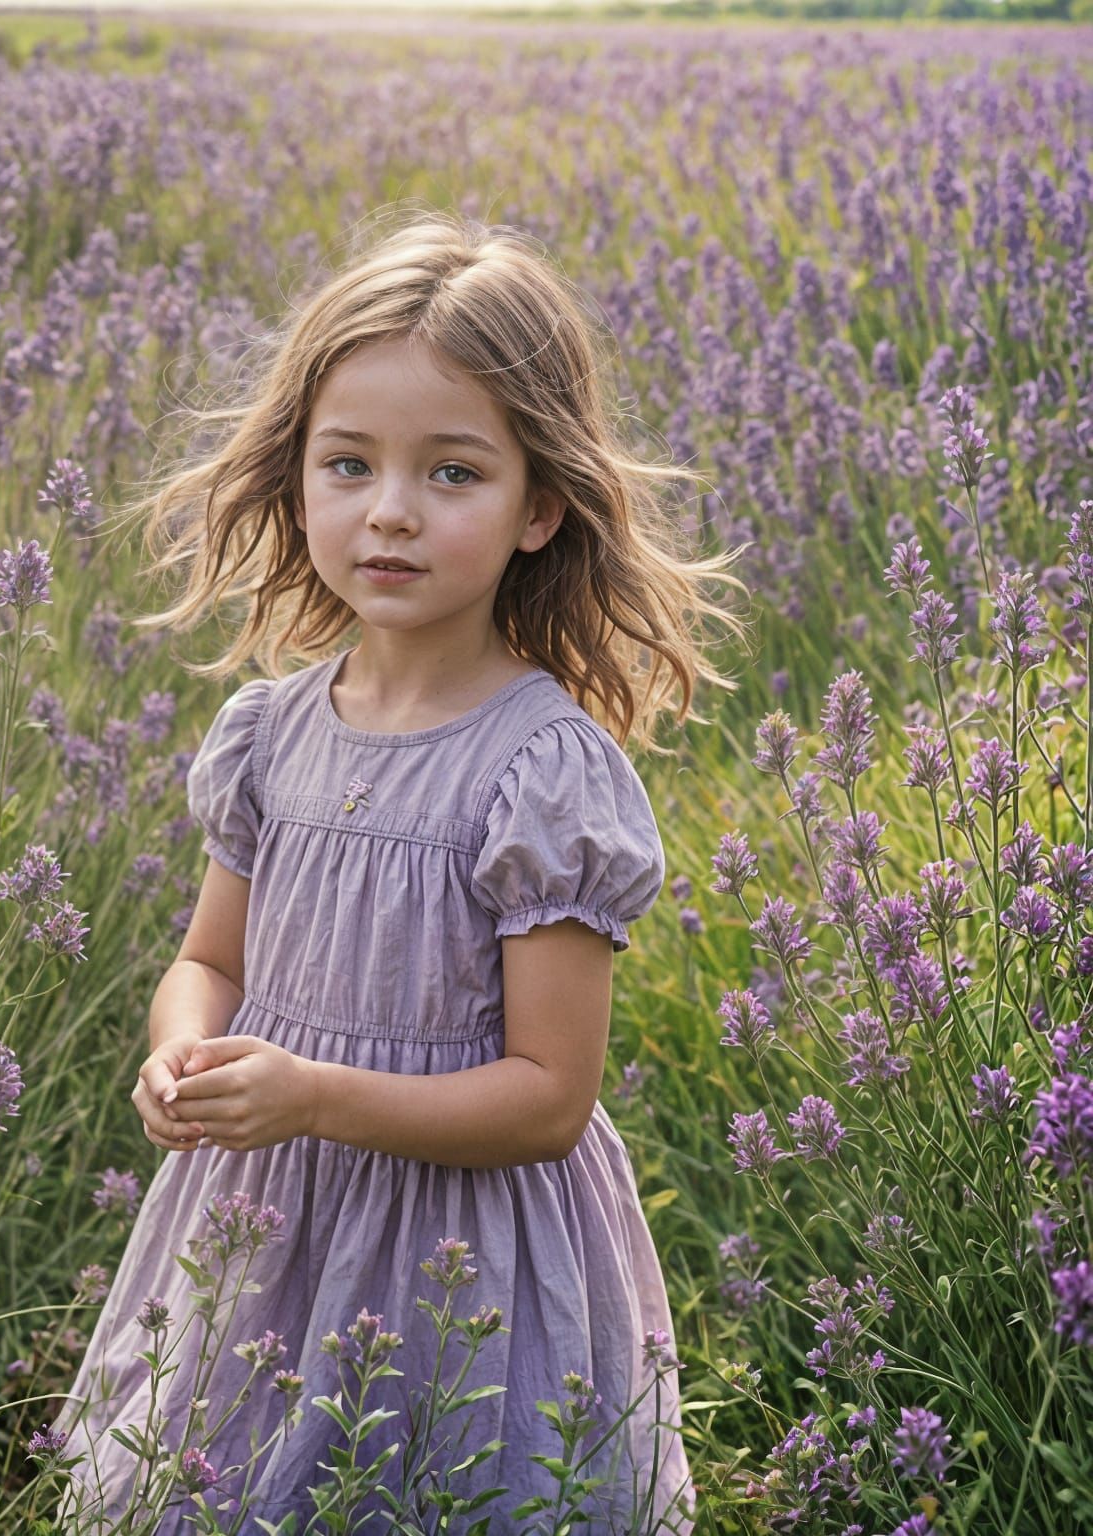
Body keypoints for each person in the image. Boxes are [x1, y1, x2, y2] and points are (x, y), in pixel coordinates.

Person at [49, 207, 751, 1534]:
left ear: (542, 506)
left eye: (451, 474)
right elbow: (211, 961)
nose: (389, 512)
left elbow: (548, 1097)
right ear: (295, 478)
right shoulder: (271, 733)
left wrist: (310, 1091)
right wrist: (181, 1057)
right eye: (349, 463)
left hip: (457, 1257)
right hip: (264, 1219)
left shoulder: (538, 773)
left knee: (427, 1489)